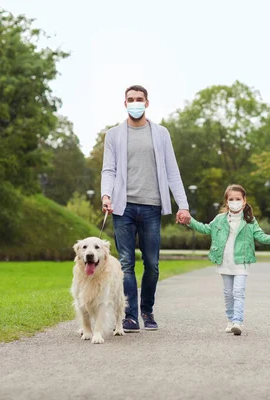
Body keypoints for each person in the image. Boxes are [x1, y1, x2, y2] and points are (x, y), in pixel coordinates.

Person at [101, 84, 191, 333]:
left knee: (152, 264)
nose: (135, 103)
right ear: (125, 103)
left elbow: (172, 171)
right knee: (127, 264)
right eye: (130, 99)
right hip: (123, 207)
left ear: (147, 103)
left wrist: (182, 205)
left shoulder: (161, 133)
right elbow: (109, 169)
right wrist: (106, 195)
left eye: (139, 99)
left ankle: (147, 309)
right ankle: (130, 316)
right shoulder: (114, 135)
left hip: (151, 206)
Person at [180, 184, 270, 335]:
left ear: (244, 200)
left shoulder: (250, 220)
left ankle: (238, 322)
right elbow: (206, 228)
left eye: (238, 199)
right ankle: (231, 319)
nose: (235, 201)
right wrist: (190, 221)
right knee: (228, 292)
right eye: (231, 199)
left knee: (238, 291)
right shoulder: (220, 219)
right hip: (225, 261)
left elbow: (260, 235)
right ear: (226, 202)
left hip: (242, 261)